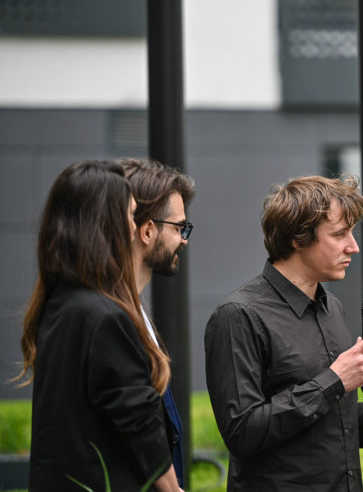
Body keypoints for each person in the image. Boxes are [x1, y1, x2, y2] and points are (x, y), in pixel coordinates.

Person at [204, 175, 363, 491]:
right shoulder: (239, 315)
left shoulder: (331, 307)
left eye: (351, 232)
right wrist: (334, 381)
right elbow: (242, 432)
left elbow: (333, 425)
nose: (353, 246)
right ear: (298, 238)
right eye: (339, 234)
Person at [18, 160, 182, 491]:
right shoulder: (106, 316)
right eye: (129, 214)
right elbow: (140, 423)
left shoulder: (60, 304)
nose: (134, 226)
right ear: (105, 224)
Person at [121, 158, 196, 488]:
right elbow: (135, 424)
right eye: (179, 228)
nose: (184, 240)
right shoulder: (113, 316)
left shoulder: (132, 310)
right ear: (148, 230)